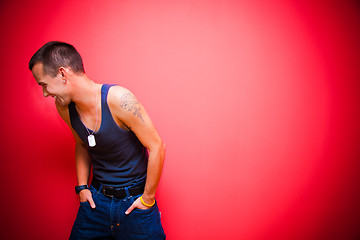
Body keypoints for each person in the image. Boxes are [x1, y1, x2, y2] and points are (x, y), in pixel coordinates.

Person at [29, 41, 166, 240]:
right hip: (96, 202)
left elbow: (157, 146)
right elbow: (82, 144)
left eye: (44, 84)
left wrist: (147, 199)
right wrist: (82, 188)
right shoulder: (64, 107)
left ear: (62, 74)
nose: (45, 93)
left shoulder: (118, 99)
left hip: (135, 204)